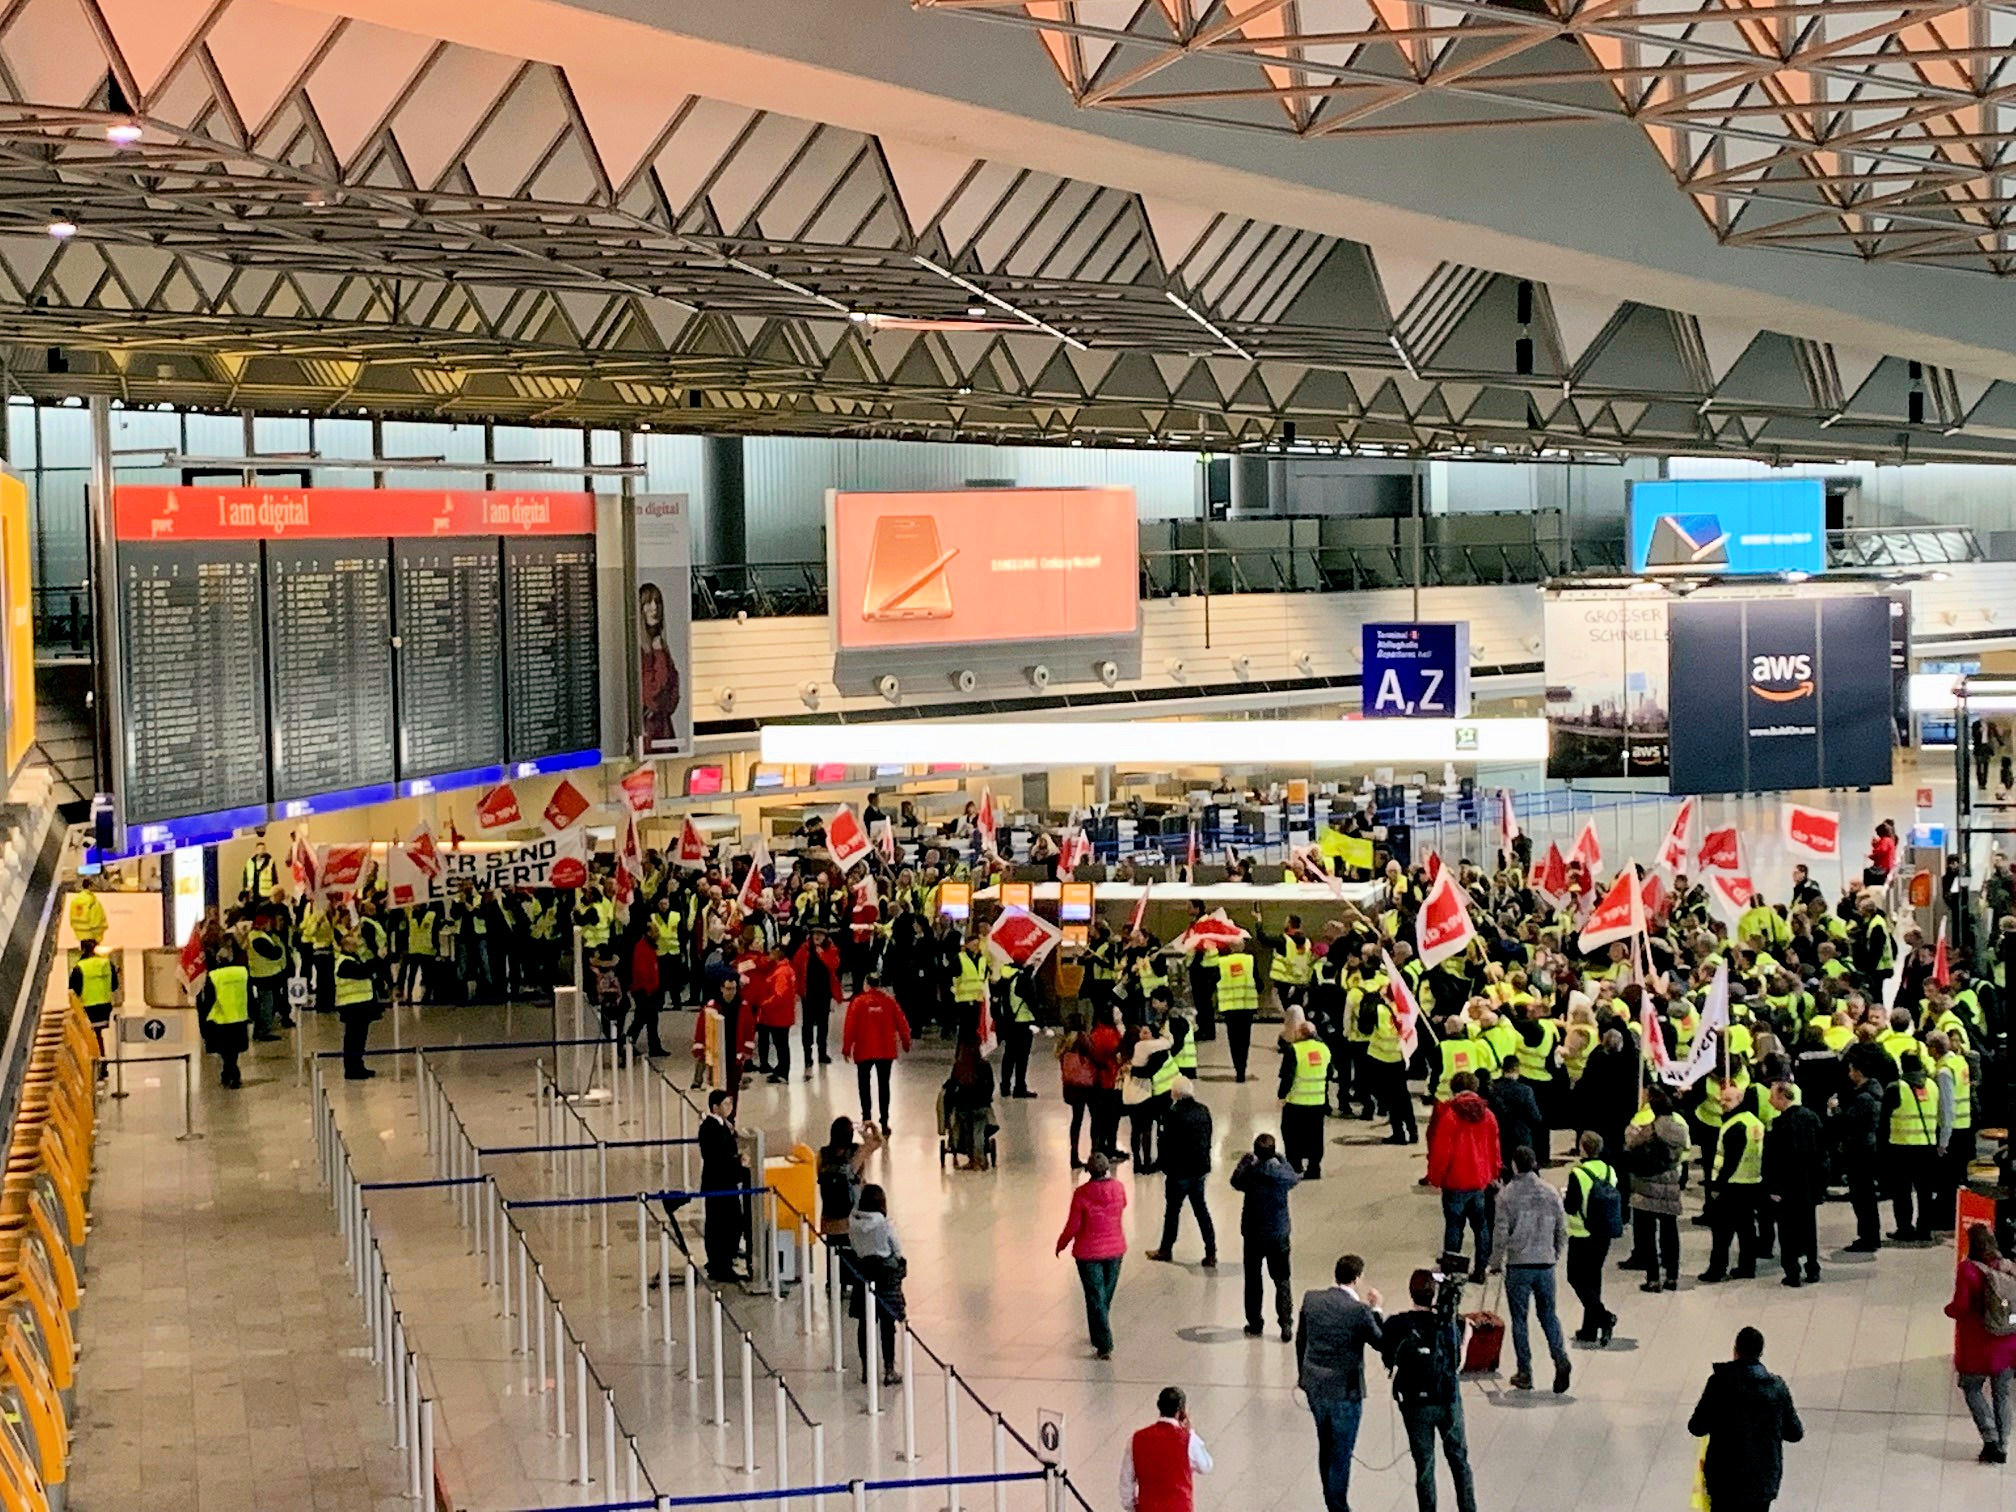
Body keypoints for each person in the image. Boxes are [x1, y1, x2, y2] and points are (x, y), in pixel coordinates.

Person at [1376, 1269, 1479, 1512]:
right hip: (1447, 1400)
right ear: (1434, 1295)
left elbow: (1387, 1355)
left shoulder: (1397, 1324)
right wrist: (1465, 1341)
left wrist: (1377, 1310)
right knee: (1459, 1460)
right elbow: (1457, 1365)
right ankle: (1468, 1508)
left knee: (1424, 1465)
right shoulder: (1446, 1324)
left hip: (1414, 1403)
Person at [1294, 1253, 1383, 1512]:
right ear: (1356, 1279)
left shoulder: (1311, 1299)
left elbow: (1302, 1340)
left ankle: (1330, 1500)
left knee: (1326, 1445)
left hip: (1315, 1386)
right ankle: (1337, 1506)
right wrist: (1376, 1309)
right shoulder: (1359, 1311)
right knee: (1341, 1453)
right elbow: (1380, 1342)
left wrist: (1303, 1375)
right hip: (1345, 1391)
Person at [1687, 1327, 1803, 1512]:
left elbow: (1696, 1427)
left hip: (1724, 1480)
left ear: (1736, 1350)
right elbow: (1795, 1433)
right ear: (1761, 1352)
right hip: (1762, 1482)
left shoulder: (1719, 1383)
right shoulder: (1777, 1388)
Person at [1489, 1145, 1572, 1393]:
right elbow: (1562, 1229)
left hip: (1519, 1265)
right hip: (1545, 1263)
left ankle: (1525, 1371)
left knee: (1519, 1319)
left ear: (1514, 1165)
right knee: (1549, 1315)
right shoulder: (1550, 1192)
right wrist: (1555, 1253)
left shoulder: (1506, 1195)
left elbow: (1501, 1234)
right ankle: (1560, 1358)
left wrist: (1494, 1263)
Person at [1945, 1224, 2016, 1463]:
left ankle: (1990, 1438)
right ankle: (2004, 1444)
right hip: (2006, 1343)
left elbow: (1961, 1307)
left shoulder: (1968, 1270)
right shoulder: (2007, 1267)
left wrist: (1948, 1310)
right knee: (2003, 1394)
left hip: (1977, 1344)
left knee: (1972, 1388)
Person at [1425, 1072, 1498, 1281]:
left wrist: (1435, 1178)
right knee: (1481, 1226)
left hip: (1455, 1182)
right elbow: (1494, 1147)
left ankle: (1452, 1270)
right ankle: (1480, 1269)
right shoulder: (1488, 1115)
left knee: (1454, 1226)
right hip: (1480, 1181)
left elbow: (1442, 1152)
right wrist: (1493, 1172)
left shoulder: (1450, 1116)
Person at [1055, 1153, 1128, 1360]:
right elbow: (1123, 1205)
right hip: (1115, 1250)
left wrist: (1061, 1244)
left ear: (1089, 1171)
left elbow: (1074, 1226)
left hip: (1088, 1253)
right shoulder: (1119, 1188)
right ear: (1107, 1169)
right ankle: (1099, 1331)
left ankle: (1104, 1343)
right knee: (1104, 1295)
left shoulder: (1082, 1193)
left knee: (1096, 1296)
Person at [1232, 1133, 1300, 1339]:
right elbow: (1294, 1176)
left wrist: (1244, 1162)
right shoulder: (1281, 1176)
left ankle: (1255, 1322)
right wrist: (1282, 1159)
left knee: (1253, 1279)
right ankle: (1286, 1324)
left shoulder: (1251, 1174)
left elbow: (1235, 1181)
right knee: (1282, 1280)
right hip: (1278, 1233)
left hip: (1253, 1234)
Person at [1623, 1088, 1688, 1293]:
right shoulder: (1680, 1130)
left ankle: (1653, 1279)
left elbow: (1630, 1143)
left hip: (1647, 1186)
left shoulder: (1649, 1130)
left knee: (1647, 1235)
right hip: (1670, 1183)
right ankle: (1672, 1276)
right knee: (1670, 1232)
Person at [1147, 1080, 1217, 1267]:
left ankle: (1165, 1249)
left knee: (1172, 1212)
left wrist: (1163, 1166)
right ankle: (1211, 1251)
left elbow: (1166, 1143)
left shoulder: (1172, 1114)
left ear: (1175, 1093)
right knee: (1201, 1211)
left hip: (1179, 1172)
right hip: (1199, 1169)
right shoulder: (1203, 1110)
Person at [1699, 1084, 1765, 1282]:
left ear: (1739, 1100)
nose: (1722, 1103)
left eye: (1728, 1100)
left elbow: (1729, 1161)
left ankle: (1717, 1270)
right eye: (1722, 1099)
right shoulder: (1755, 1123)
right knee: (1747, 1230)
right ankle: (1747, 1267)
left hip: (1732, 1185)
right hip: (1752, 1181)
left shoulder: (1734, 1125)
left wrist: (1717, 1186)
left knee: (1721, 1231)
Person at [1762, 1080, 1824, 1287]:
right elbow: (1822, 1154)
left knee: (1787, 1231)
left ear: (1782, 1097)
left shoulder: (1780, 1125)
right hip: (1808, 1184)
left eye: (1773, 1096)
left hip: (1787, 1186)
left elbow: (1773, 1160)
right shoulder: (1812, 1117)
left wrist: (1772, 1187)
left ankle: (1792, 1272)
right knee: (1808, 1228)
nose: (1770, 1100)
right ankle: (1812, 1267)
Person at [1561, 1131, 1618, 1346]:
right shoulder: (1609, 1170)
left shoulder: (1578, 1173)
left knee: (1575, 1277)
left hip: (1582, 1233)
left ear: (1583, 1148)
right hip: (1603, 1232)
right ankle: (1589, 1329)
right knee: (1594, 1279)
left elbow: (1571, 1206)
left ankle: (1604, 1317)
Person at [1119, 1386, 1214, 1512]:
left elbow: (1126, 1480)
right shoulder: (1188, 1439)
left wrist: (1131, 1506)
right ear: (1182, 1411)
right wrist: (1190, 1431)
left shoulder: (1136, 1439)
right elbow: (1206, 1466)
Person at [848, 1184, 905, 1387]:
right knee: (887, 1324)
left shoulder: (853, 1221)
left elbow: (854, 1246)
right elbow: (896, 1247)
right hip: (884, 1275)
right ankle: (889, 1369)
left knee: (864, 1323)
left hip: (862, 1272)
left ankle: (866, 1369)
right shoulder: (884, 1224)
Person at [841, 974, 910, 1132]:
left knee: (864, 1084)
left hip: (864, 1049)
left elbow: (849, 1026)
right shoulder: (890, 1002)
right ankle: (884, 1121)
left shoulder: (858, 1002)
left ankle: (866, 1119)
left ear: (866, 984)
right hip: (886, 1050)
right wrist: (906, 1043)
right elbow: (902, 1023)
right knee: (884, 1085)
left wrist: (846, 1048)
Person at [1834, 1045, 1887, 1252]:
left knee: (1862, 1197)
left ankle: (1868, 1236)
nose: (1849, 1073)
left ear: (1858, 1071)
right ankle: (1869, 1235)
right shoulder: (1872, 1093)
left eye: (1851, 1069)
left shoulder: (1864, 1098)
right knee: (1866, 1197)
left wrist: (1835, 1110)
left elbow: (1849, 1122)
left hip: (1860, 1152)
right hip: (1867, 1149)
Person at [697, 1090, 748, 1283]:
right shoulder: (710, 1128)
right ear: (715, 1107)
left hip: (725, 1182)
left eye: (730, 1104)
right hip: (719, 1183)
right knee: (724, 1224)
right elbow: (716, 1157)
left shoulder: (723, 1125)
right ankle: (721, 1265)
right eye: (725, 1105)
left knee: (730, 1223)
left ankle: (723, 1260)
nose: (729, 1108)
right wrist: (738, 1161)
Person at [1279, 1018, 1332, 1179]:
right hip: (1317, 1102)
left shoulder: (1294, 1050)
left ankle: (1295, 1165)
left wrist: (1281, 1095)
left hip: (1296, 1101)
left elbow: (1287, 1076)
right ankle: (1314, 1167)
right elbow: (1329, 1073)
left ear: (1301, 1033)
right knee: (1315, 1136)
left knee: (1291, 1134)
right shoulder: (1324, 1049)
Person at [194, 944, 251, 1090]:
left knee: (226, 1050)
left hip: (222, 1017)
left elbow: (209, 999)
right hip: (239, 1015)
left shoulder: (215, 976)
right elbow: (249, 993)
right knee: (234, 1050)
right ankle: (228, 1073)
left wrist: (204, 1017)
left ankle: (233, 1074)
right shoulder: (242, 972)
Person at [333, 929, 381, 1081]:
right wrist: (377, 961)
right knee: (354, 1039)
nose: (357, 946)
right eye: (354, 944)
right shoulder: (344, 963)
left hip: (360, 1005)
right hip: (352, 1006)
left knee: (360, 1038)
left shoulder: (353, 959)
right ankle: (352, 1069)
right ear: (347, 946)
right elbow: (362, 972)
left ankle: (358, 1066)